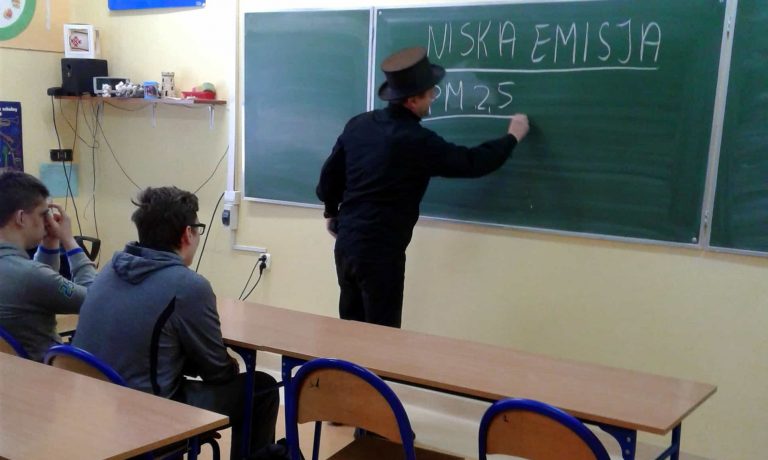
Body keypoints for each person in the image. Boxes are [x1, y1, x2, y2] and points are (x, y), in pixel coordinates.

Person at [317, 46, 530, 329]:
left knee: (350, 331)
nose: (433, 98)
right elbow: (472, 162)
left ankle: (346, 361)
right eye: (430, 93)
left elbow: (331, 174)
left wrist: (331, 211)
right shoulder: (416, 141)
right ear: (413, 100)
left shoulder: (359, 124)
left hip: (346, 245)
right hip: (381, 252)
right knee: (382, 336)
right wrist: (512, 137)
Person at [72, 186, 278, 459]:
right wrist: (229, 363)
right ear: (187, 234)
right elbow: (217, 373)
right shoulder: (188, 287)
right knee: (262, 387)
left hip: (90, 412)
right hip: (147, 417)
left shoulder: (109, 269)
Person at [0, 171, 96, 361]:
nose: (48, 221)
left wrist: (50, 243)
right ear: (21, 218)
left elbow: (36, 288)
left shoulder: (25, 273)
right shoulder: (30, 276)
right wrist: (69, 241)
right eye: (44, 214)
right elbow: (96, 301)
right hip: (45, 373)